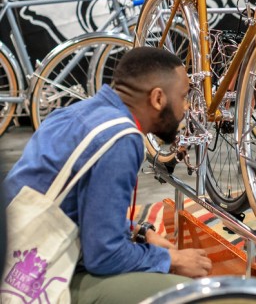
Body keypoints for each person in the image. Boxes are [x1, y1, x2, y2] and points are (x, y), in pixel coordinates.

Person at [3, 47, 212, 302]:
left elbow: (79, 208)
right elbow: (104, 256)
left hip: (16, 246)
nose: (186, 107)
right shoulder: (122, 141)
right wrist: (172, 260)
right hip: (34, 275)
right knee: (185, 293)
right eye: (183, 97)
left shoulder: (77, 112)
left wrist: (140, 233)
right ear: (158, 99)